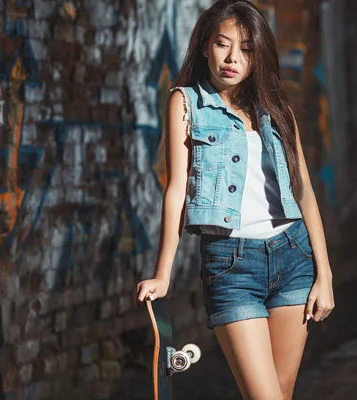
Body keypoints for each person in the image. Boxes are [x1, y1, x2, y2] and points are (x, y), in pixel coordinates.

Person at [135, 1, 334, 398]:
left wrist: (325, 276)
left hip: (293, 257)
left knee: (281, 393)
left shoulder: (277, 110)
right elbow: (175, 190)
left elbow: (304, 193)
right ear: (206, 46)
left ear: (257, 55)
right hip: (232, 266)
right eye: (223, 44)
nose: (232, 58)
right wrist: (163, 273)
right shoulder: (186, 104)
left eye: (245, 48)